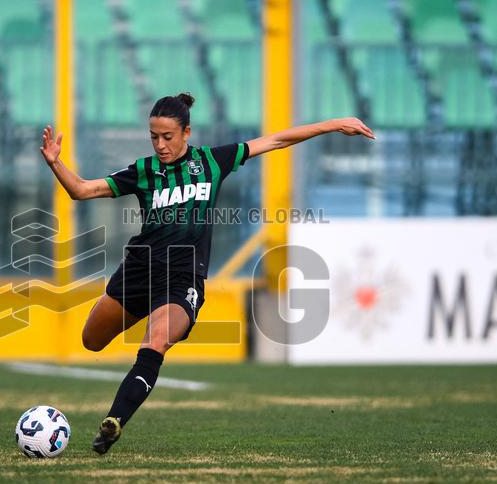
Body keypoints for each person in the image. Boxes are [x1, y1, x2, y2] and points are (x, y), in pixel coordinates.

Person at [39, 92, 375, 454]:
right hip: (139, 270)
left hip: (182, 278)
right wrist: (56, 163)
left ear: (187, 133)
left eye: (168, 136)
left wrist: (333, 125)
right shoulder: (144, 171)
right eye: (154, 137)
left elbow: (277, 140)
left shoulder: (213, 162)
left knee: (155, 342)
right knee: (91, 340)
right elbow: (82, 190)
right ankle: (117, 404)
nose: (160, 145)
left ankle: (114, 421)